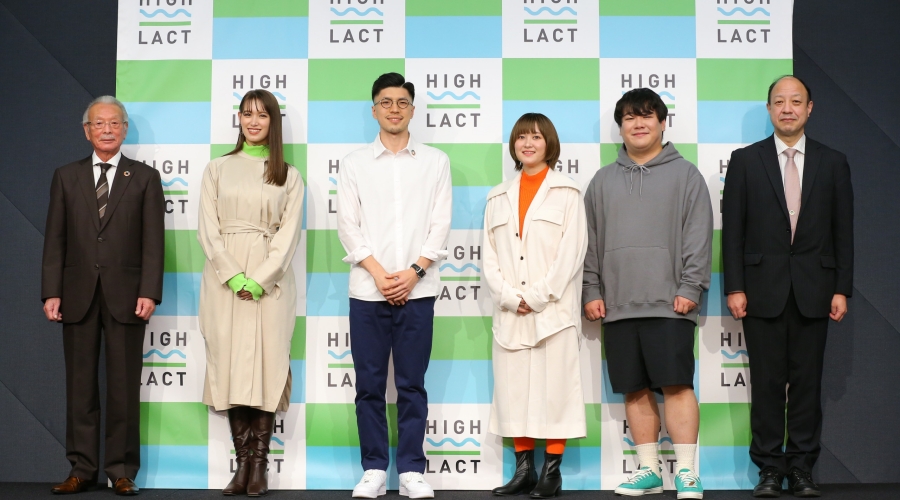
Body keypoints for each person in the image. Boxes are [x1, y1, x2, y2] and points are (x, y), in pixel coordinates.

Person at [722, 76, 853, 498]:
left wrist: (842, 288)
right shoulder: (745, 160)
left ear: (809, 108)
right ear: (769, 109)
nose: (787, 108)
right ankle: (768, 468)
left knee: (807, 385)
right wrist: (735, 286)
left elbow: (843, 231)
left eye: (796, 101)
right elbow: (733, 231)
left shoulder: (833, 162)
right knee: (766, 384)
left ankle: (800, 468)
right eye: (779, 102)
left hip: (816, 289)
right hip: (761, 290)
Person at [583, 88, 712, 499]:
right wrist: (591, 289)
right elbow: (589, 242)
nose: (638, 123)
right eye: (629, 117)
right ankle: (649, 471)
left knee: (677, 385)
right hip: (617, 305)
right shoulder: (601, 181)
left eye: (646, 115)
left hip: (671, 303)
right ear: (620, 127)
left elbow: (698, 235)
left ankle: (687, 472)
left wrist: (691, 286)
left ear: (662, 122)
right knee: (634, 388)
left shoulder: (686, 175)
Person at [42, 96, 165, 496]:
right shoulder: (66, 176)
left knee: (123, 387)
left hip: (128, 297)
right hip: (76, 295)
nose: (107, 129)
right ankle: (82, 469)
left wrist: (149, 291)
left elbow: (153, 242)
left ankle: (121, 470)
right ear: (87, 130)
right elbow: (55, 239)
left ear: (125, 129)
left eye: (114, 123)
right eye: (99, 123)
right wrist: (51, 292)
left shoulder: (144, 178)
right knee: (80, 388)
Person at [337, 72, 452, 499]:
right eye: (386, 102)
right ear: (374, 110)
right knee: (368, 385)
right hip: (368, 290)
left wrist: (414, 272)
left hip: (418, 290)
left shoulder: (435, 161)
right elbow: (347, 226)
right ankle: (373, 470)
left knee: (411, 385)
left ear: (412, 110)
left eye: (402, 102)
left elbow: (440, 223)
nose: (394, 109)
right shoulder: (354, 163)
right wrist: (379, 272)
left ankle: (411, 471)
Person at [197, 89, 305, 497]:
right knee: (228, 366)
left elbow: (288, 235)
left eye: (262, 115)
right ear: (239, 119)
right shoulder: (217, 169)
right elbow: (207, 229)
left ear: (273, 122)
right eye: (246, 114)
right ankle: (241, 465)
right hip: (223, 281)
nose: (253, 121)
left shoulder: (288, 175)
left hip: (270, 284)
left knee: (266, 366)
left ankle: (259, 466)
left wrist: (260, 279)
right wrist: (233, 276)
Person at [483, 113, 588, 499]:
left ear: (549, 144)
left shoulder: (568, 193)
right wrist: (511, 297)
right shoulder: (497, 197)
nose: (528, 144)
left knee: (555, 392)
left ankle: (551, 473)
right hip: (511, 312)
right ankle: (524, 471)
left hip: (553, 312)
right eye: (522, 137)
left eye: (536, 137)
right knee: (514, 393)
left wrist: (538, 295)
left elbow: (571, 253)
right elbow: (488, 257)